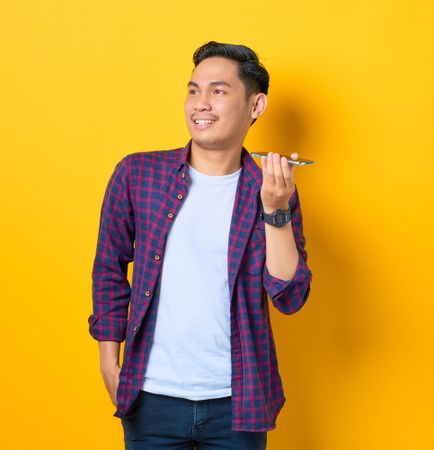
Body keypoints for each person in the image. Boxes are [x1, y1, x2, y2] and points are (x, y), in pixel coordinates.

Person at [88, 40, 313, 449]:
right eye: (194, 90)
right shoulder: (138, 175)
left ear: (256, 106)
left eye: (218, 91)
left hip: (238, 402)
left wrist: (275, 211)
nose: (201, 103)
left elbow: (290, 296)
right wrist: (108, 360)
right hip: (150, 397)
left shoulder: (268, 189)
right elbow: (108, 268)